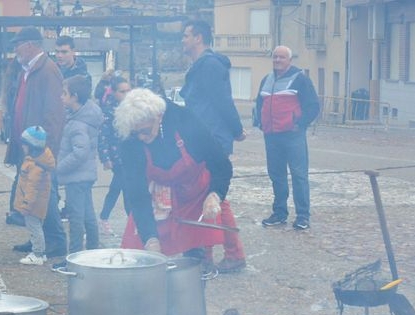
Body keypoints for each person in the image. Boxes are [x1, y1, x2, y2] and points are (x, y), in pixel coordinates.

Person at [114, 88, 232, 260]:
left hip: (194, 195)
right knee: (140, 255)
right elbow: (137, 193)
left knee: (195, 258)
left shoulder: (185, 120)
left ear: (158, 117)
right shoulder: (129, 141)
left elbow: (221, 164)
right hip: (158, 199)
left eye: (145, 131)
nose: (141, 137)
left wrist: (215, 195)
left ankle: (198, 273)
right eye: (135, 133)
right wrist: (150, 239)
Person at [180, 19, 248, 273]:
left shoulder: (209, 65)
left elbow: (222, 101)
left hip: (213, 140)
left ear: (198, 38)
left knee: (217, 196)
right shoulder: (200, 66)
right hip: (201, 138)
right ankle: (205, 253)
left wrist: (236, 130)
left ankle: (233, 253)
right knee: (202, 195)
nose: (183, 40)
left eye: (186, 36)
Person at [2, 27, 67, 258]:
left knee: (45, 195)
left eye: (17, 45)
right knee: (31, 193)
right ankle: (37, 238)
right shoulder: (27, 71)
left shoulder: (48, 71)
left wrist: (43, 149)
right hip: (26, 145)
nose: (15, 50)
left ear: (30, 45)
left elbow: (54, 115)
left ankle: (56, 241)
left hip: (39, 148)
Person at [254, 45, 320, 231]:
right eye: (275, 57)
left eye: (282, 57)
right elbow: (259, 103)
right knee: (276, 176)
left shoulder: (300, 79)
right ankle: (280, 213)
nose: (277, 60)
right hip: (271, 136)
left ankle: (302, 216)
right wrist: (260, 122)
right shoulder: (266, 80)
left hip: (293, 136)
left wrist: (299, 124)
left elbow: (313, 105)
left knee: (299, 175)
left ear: (290, 60)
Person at [58, 75, 102, 255]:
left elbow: (79, 152)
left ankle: (75, 255)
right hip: (85, 176)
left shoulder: (77, 124)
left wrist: (58, 168)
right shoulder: (82, 118)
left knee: (76, 218)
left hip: (76, 177)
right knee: (88, 215)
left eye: (64, 93)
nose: (61, 96)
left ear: (74, 97)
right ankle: (93, 250)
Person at [15, 126, 56, 265]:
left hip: (33, 204)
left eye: (24, 144)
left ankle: (38, 253)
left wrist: (26, 205)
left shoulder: (35, 166)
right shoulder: (37, 161)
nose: (22, 146)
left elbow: (32, 188)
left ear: (31, 146)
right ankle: (40, 252)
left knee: (35, 228)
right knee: (36, 227)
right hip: (37, 203)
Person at [97, 76, 131, 236]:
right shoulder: (108, 111)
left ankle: (107, 217)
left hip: (129, 156)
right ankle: (129, 220)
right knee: (123, 187)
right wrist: (105, 158)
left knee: (120, 188)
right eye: (122, 91)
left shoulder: (131, 107)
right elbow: (103, 135)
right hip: (117, 156)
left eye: (128, 90)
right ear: (114, 92)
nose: (126, 94)